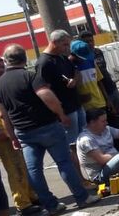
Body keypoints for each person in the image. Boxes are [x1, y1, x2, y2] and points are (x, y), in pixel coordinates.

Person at [0, 44, 98, 215]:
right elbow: (45, 94)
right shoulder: (30, 76)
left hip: (24, 133)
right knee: (64, 162)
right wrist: (61, 114)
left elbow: (2, 115)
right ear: (25, 58)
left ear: (6, 60)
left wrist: (12, 137)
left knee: (34, 169)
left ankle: (51, 206)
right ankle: (82, 198)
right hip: (48, 126)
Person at [0, 55, 40, 216]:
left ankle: (31, 196)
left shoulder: (0, 85)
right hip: (1, 135)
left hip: (12, 131)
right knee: (14, 168)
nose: (1, 69)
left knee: (23, 165)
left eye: (2, 66)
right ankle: (22, 203)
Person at [35, 29, 86, 181]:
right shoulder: (44, 63)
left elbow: (75, 72)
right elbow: (44, 91)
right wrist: (59, 114)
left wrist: (74, 80)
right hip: (65, 110)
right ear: (55, 42)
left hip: (76, 105)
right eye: (65, 44)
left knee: (83, 142)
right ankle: (80, 180)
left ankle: (88, 175)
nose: (67, 48)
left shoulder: (63, 58)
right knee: (71, 147)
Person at [79, 31, 119, 109]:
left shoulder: (98, 52)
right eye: (86, 42)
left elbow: (104, 68)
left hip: (111, 86)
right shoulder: (81, 57)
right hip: (100, 92)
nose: (90, 43)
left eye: (91, 41)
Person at [70, 39, 110, 112]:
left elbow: (99, 81)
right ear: (74, 55)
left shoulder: (91, 62)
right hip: (86, 108)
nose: (85, 60)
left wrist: (107, 100)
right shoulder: (69, 67)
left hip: (100, 103)